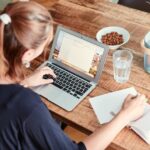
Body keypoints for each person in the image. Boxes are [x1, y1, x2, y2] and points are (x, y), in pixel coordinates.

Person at [0, 1, 146, 150]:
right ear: (28, 54)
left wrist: (25, 83)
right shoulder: (28, 107)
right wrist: (125, 115)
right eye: (45, 46)